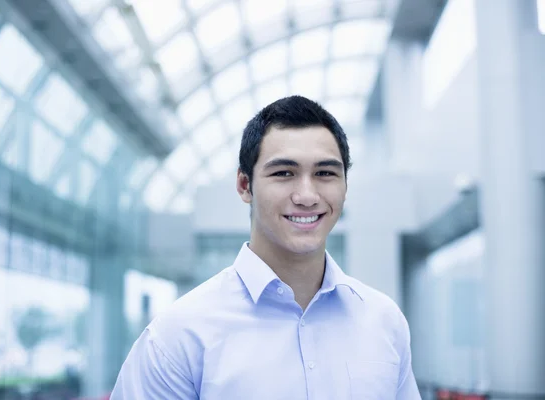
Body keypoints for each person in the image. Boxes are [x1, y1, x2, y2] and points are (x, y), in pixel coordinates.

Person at [110, 95, 421, 399]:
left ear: (345, 185)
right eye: (284, 173)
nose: (307, 195)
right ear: (245, 186)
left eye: (325, 173)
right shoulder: (179, 336)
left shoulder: (384, 321)